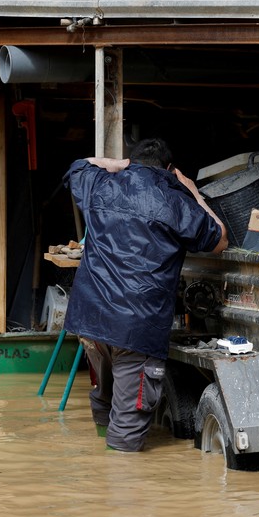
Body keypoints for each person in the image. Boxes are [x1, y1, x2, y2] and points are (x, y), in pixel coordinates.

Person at [62, 138, 228, 452]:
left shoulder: (101, 184)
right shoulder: (177, 201)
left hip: (90, 323)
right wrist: (192, 190)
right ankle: (119, 481)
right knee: (126, 435)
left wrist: (119, 165)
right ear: (170, 170)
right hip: (134, 331)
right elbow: (220, 239)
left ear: (131, 162)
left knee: (103, 398)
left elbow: (78, 166)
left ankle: (97, 476)